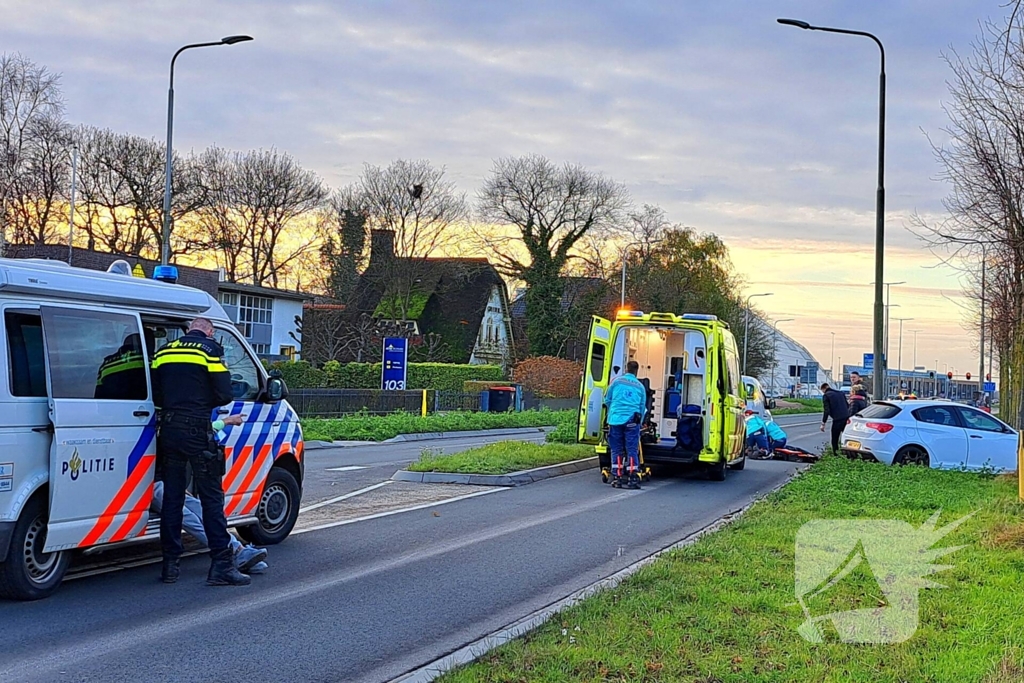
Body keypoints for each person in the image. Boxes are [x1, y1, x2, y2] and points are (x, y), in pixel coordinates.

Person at [152, 317, 248, 587]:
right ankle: (221, 564)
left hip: (169, 430)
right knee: (211, 499)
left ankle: (170, 566)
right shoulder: (210, 350)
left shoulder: (163, 351)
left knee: (172, 500)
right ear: (209, 331)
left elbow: (157, 395)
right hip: (197, 430)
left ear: (188, 330)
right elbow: (225, 394)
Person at [150, 414, 269, 578]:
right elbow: (198, 434)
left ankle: (239, 551)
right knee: (188, 517)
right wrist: (226, 421)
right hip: (148, 488)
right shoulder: (160, 430)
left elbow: (197, 433)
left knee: (199, 508)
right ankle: (234, 552)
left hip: (162, 484)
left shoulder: (165, 430)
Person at [603, 360, 647, 489]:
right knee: (632, 449)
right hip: (632, 420)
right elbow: (642, 407)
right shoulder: (640, 386)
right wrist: (641, 423)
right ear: (636, 371)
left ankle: (617, 478)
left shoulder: (617, 382)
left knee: (616, 449)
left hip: (615, 419)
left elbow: (607, 399)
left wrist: (614, 412)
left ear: (626, 369)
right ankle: (633, 478)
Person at [820, 382, 850, 454]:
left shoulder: (826, 396)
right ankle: (848, 453)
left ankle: (836, 454)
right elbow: (847, 405)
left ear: (824, 389)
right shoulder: (841, 393)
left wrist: (823, 423)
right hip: (846, 418)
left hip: (837, 420)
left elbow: (826, 410)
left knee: (835, 439)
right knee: (847, 437)